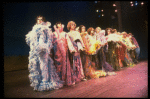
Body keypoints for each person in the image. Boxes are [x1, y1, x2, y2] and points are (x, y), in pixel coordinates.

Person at [25, 16, 64, 91]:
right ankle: (38, 83)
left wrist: (45, 47)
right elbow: (30, 41)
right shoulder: (33, 30)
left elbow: (49, 39)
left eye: (41, 19)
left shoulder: (45, 28)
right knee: (36, 66)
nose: (39, 21)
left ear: (43, 21)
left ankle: (45, 81)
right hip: (34, 51)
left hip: (43, 50)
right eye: (38, 19)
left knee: (44, 66)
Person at [53, 21, 79, 86]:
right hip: (57, 52)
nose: (59, 25)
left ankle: (65, 79)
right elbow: (52, 42)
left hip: (64, 51)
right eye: (58, 24)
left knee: (65, 64)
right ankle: (59, 79)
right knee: (58, 65)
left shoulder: (65, 33)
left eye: (60, 24)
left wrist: (71, 49)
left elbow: (69, 42)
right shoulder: (54, 34)